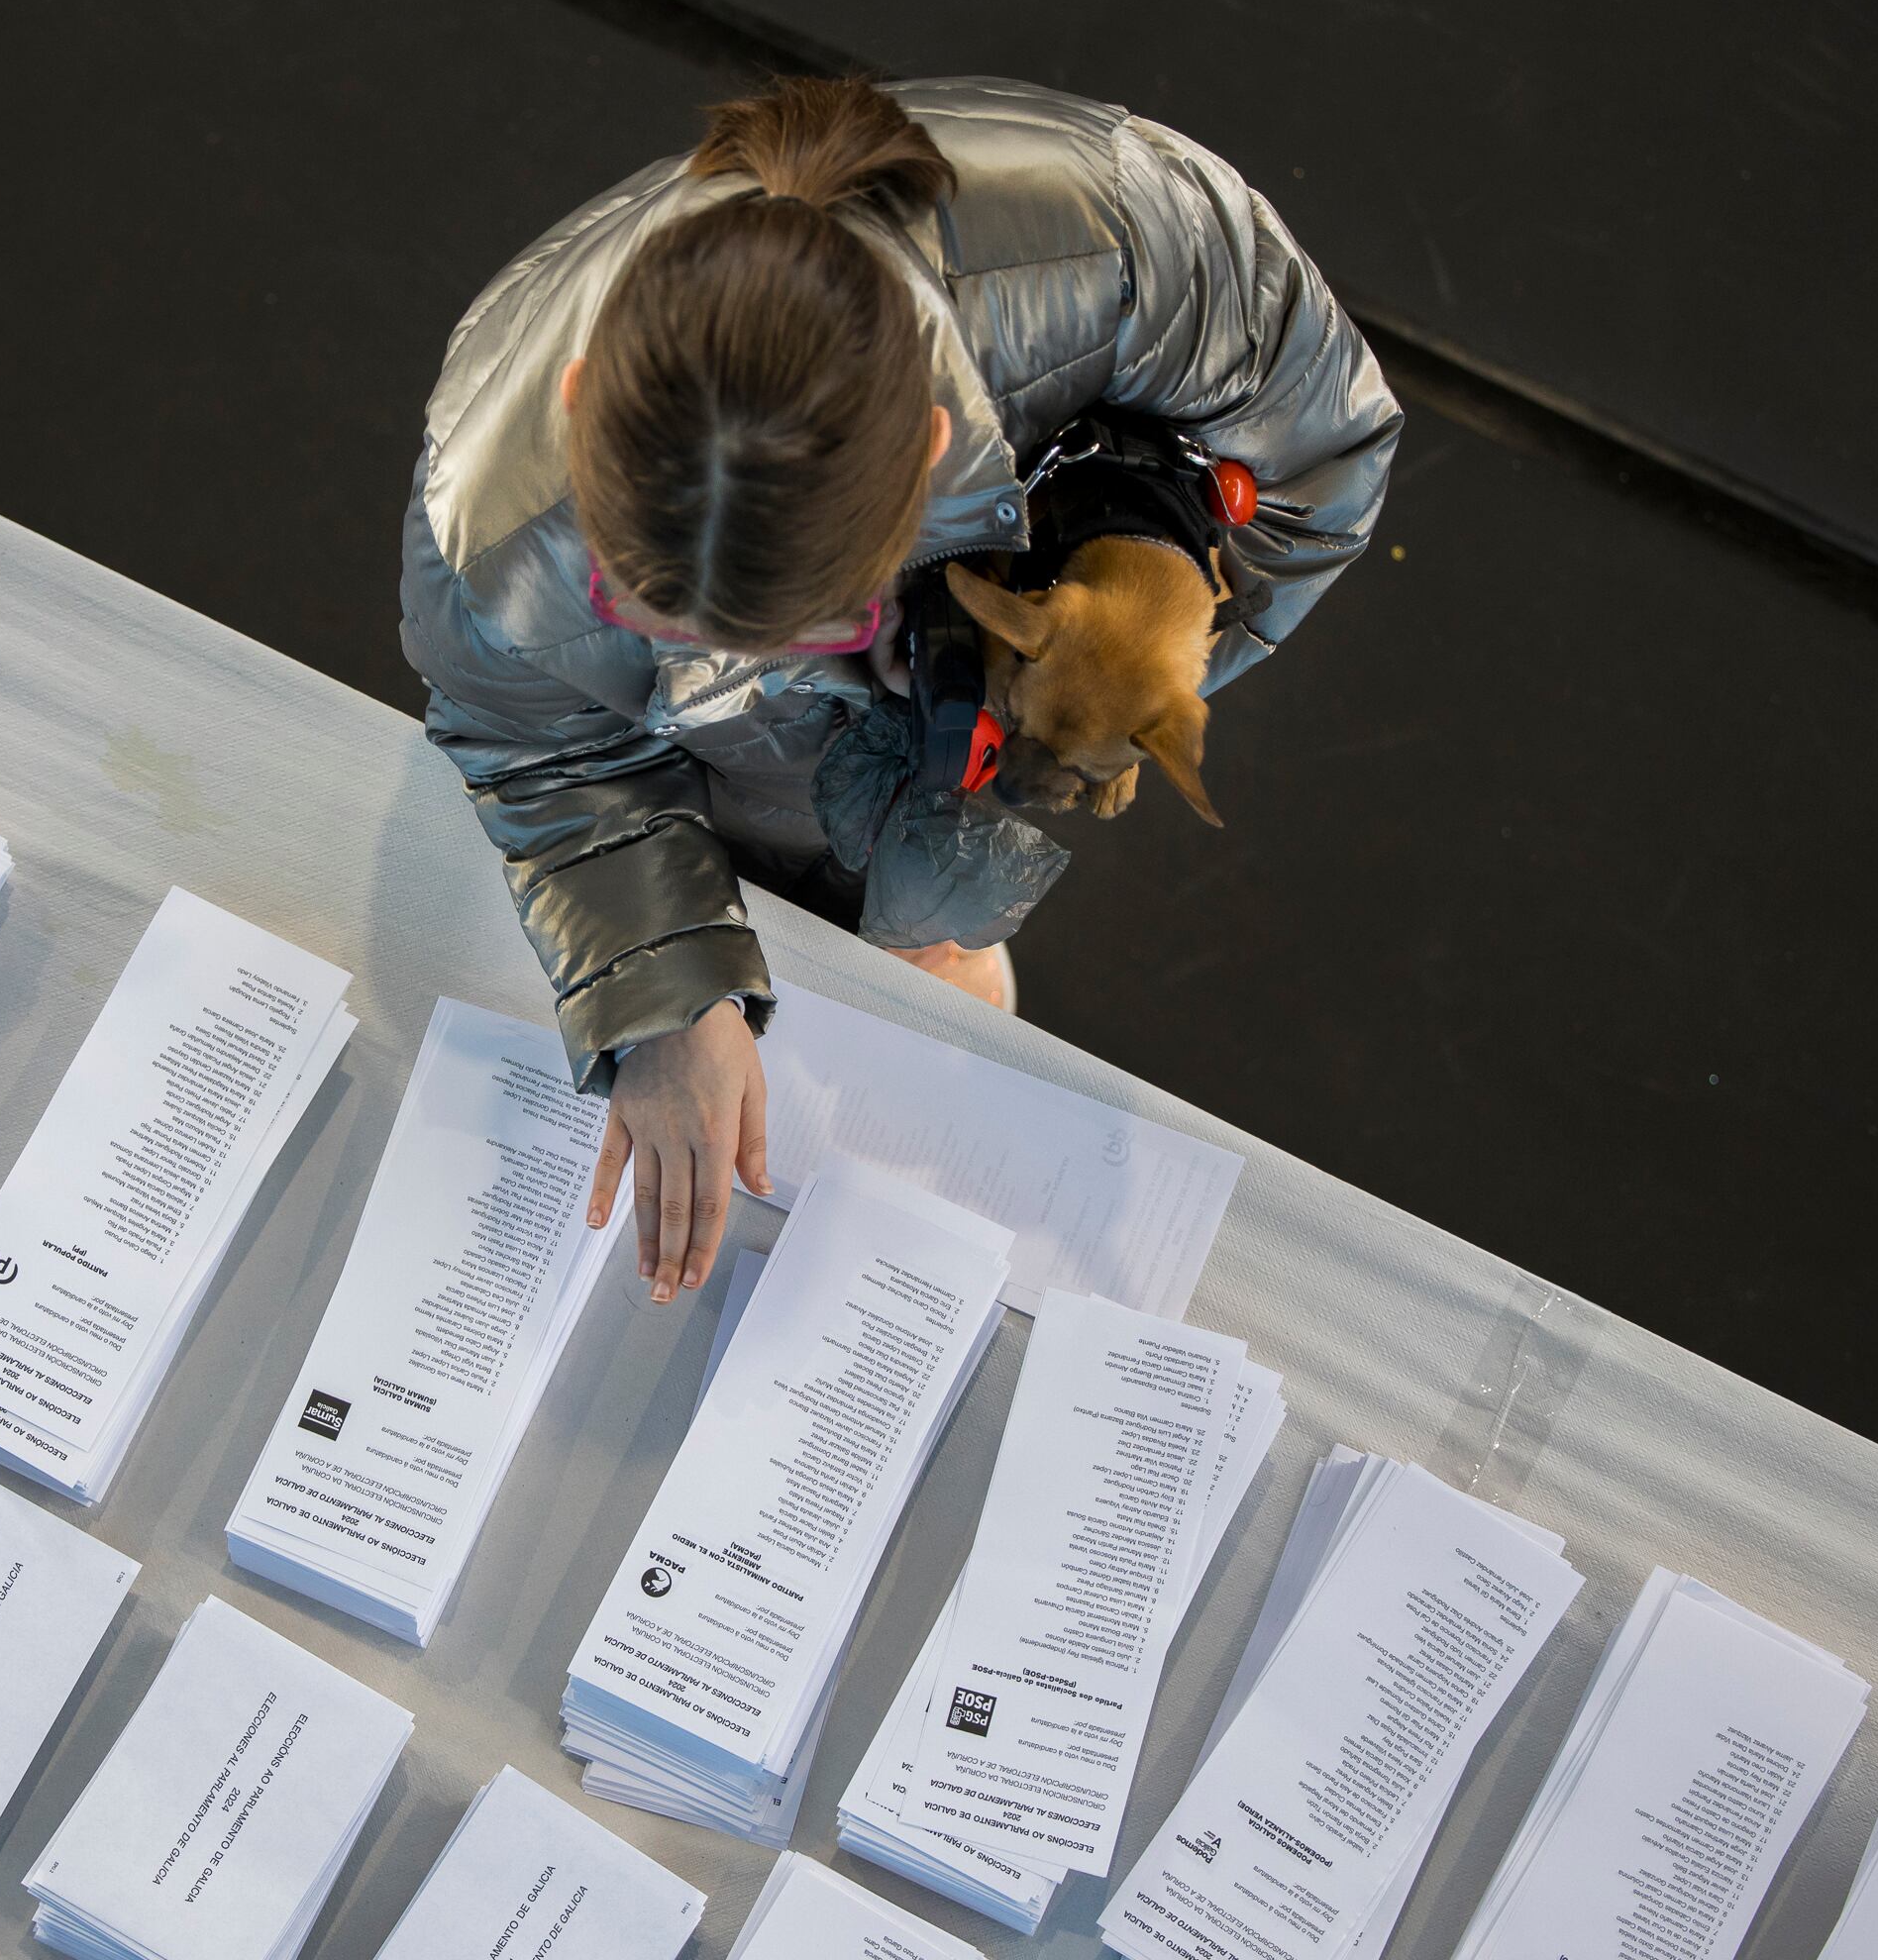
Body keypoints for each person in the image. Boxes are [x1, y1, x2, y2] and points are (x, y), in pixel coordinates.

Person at [399, 76, 1399, 1303]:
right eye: (645, 610)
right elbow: (543, 749)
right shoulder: (491, 515)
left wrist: (1107, 664)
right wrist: (663, 993)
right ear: (575, 399)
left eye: (816, 623)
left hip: (965, 679)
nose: (714, 650)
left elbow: (1326, 464)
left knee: (940, 984)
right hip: (730, 768)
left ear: (934, 456)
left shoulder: (1130, 245)